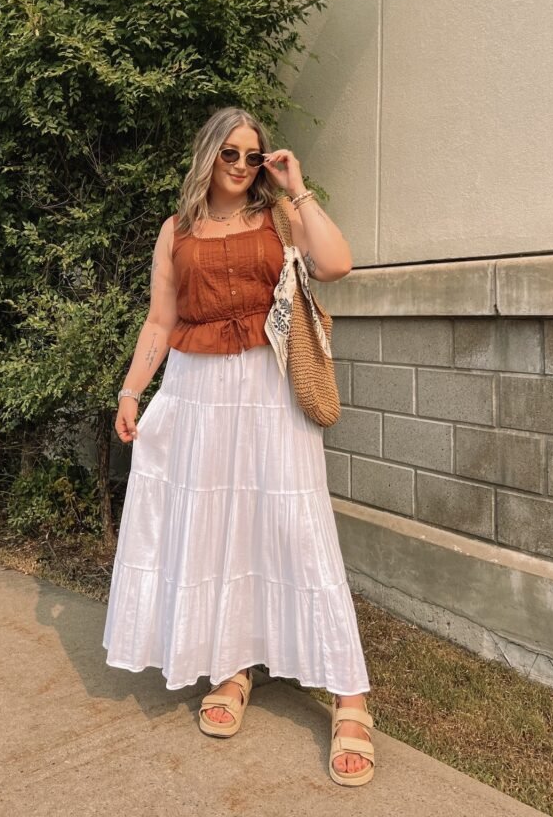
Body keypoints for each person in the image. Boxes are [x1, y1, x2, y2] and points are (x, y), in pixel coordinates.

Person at [103, 106, 375, 786]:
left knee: (297, 525)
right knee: (214, 531)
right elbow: (161, 320)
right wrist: (132, 392)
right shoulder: (177, 230)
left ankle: (350, 694)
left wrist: (296, 185)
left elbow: (336, 264)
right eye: (231, 153)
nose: (241, 165)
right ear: (208, 155)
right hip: (195, 393)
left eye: (252, 155)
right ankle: (230, 665)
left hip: (267, 383)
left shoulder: (279, 216)